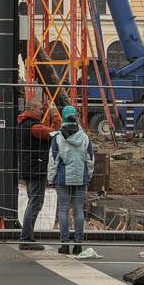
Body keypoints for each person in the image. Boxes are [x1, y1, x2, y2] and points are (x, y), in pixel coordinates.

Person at [48, 105, 95, 255]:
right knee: (78, 210)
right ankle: (79, 244)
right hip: (80, 177)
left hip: (63, 177)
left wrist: (50, 178)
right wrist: (88, 175)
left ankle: (64, 244)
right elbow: (90, 159)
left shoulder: (58, 137)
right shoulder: (85, 137)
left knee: (63, 209)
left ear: (63, 117)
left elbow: (53, 159)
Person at [16, 99, 55, 250]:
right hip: (36, 169)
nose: (41, 111)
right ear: (31, 109)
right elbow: (54, 133)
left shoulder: (22, 124)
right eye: (39, 109)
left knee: (32, 202)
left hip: (28, 168)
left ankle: (27, 236)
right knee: (35, 203)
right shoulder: (35, 127)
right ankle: (26, 238)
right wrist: (54, 113)